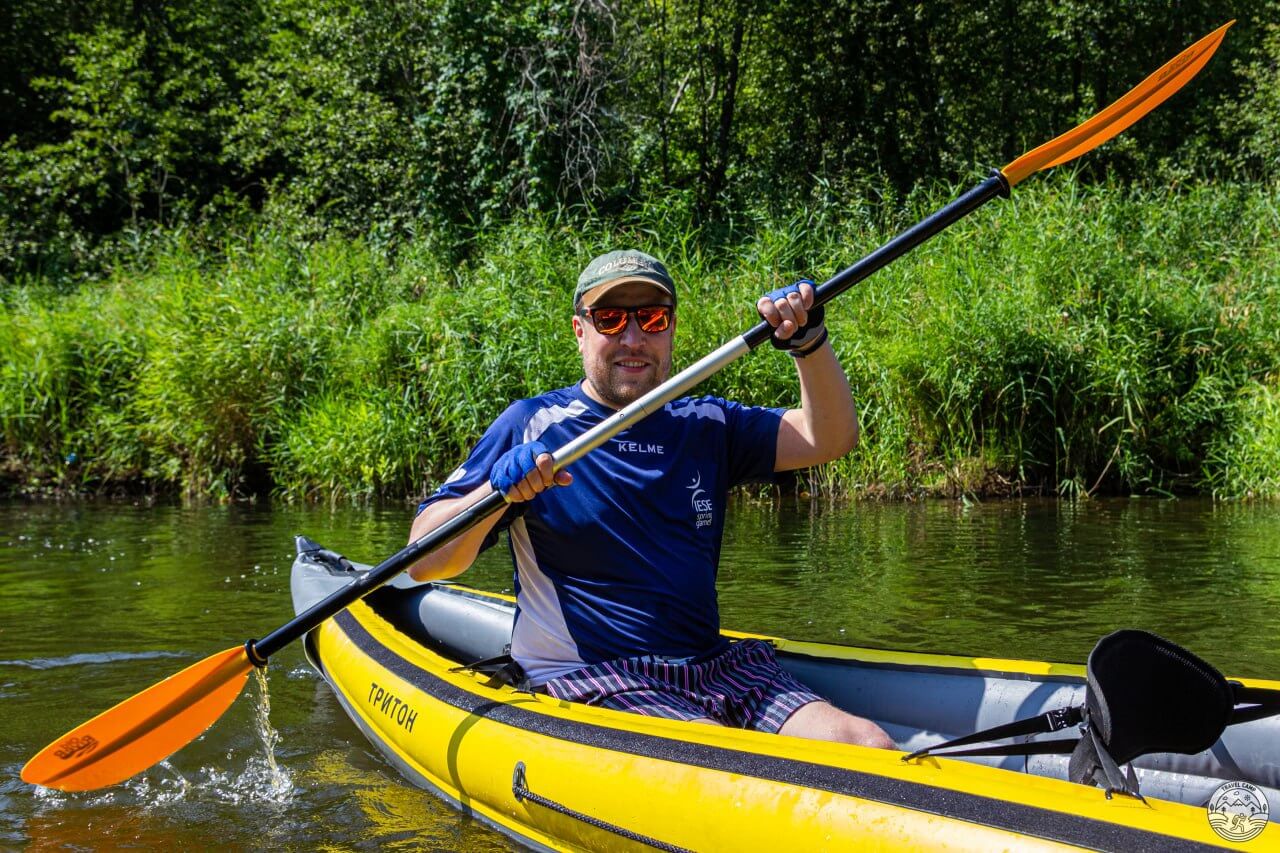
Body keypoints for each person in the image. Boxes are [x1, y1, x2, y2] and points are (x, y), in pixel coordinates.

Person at [408, 249, 893, 749]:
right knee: (722, 754)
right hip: (595, 676)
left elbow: (827, 437)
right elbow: (424, 559)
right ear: (581, 331)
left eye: (652, 319)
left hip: (712, 666)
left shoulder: (705, 424)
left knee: (866, 743)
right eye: (611, 319)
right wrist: (496, 493)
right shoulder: (532, 425)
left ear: (671, 329)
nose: (633, 338)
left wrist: (809, 344)